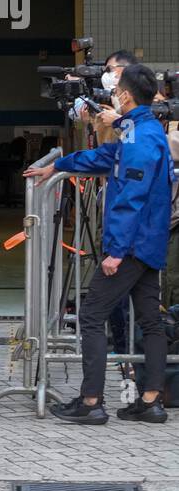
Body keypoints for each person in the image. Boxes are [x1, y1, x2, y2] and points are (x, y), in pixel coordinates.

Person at [25, 64, 175, 425]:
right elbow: (105, 158)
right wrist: (59, 164)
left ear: (126, 95)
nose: (112, 93)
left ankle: (91, 400)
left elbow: (130, 199)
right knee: (151, 322)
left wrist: (116, 252)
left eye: (117, 88)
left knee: (92, 316)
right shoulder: (142, 131)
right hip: (149, 244)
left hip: (133, 247)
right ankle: (151, 400)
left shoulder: (138, 139)